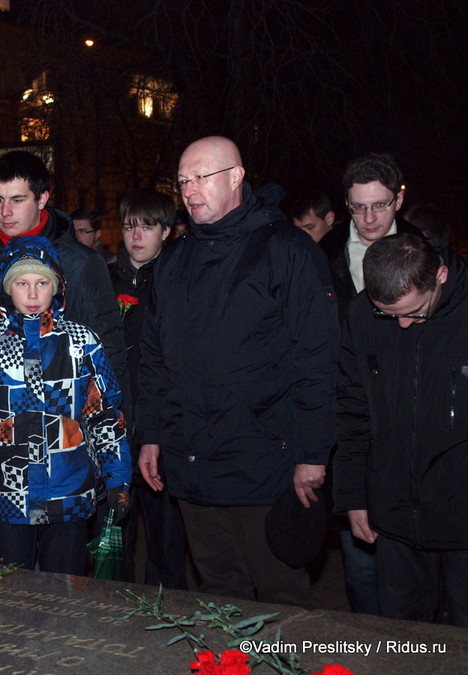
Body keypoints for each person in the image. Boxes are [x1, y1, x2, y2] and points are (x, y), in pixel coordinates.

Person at [136, 136, 339, 606]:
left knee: (279, 596)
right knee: (218, 593)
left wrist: (313, 451)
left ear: (236, 176)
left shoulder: (287, 249)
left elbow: (318, 358)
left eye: (201, 177)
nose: (189, 190)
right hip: (191, 459)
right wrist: (151, 433)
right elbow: (154, 357)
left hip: (267, 462)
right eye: (183, 181)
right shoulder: (172, 263)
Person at [0, 150, 126, 561]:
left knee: (64, 579)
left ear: (43, 198)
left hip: (65, 462)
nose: (4, 212)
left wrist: (115, 462)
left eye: (16, 200)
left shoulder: (80, 264)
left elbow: (110, 363)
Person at [0, 236, 131, 574]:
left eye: (42, 283)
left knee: (66, 598)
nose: (32, 295)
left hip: (69, 495)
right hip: (7, 496)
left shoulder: (82, 342)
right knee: (11, 597)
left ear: (57, 287)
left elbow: (103, 415)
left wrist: (119, 477)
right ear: (7, 289)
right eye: (22, 283)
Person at [334, 232, 468, 626]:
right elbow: (352, 410)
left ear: (440, 275)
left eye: (415, 312)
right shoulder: (361, 315)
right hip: (393, 514)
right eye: (389, 315)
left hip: (463, 514)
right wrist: (353, 495)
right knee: (405, 641)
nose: (404, 324)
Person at [109, 188, 186, 589]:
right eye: (128, 226)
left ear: (167, 231)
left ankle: (165, 604)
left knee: (165, 533)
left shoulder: (179, 279)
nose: (136, 236)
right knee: (115, 531)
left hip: (163, 423)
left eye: (147, 226)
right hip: (115, 421)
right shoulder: (104, 279)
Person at [321, 153, 422, 324]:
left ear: (398, 200)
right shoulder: (324, 252)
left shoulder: (426, 250)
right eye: (359, 207)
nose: (369, 218)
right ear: (347, 202)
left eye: (380, 205)